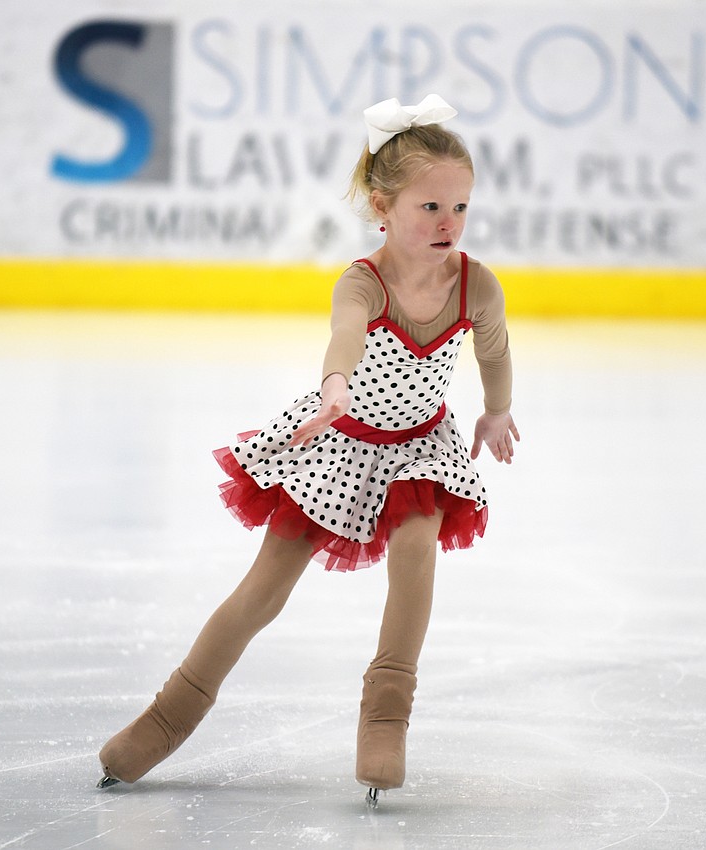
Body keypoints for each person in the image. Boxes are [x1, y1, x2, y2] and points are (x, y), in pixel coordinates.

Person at [96, 94, 519, 806]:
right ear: (382, 207)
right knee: (265, 588)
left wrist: (497, 411)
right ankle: (170, 714)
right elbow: (345, 333)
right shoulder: (362, 280)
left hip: (419, 450)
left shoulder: (475, 283)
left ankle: (385, 718)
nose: (450, 224)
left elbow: (496, 348)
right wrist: (335, 387)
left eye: (461, 208)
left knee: (416, 554)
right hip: (338, 443)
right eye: (431, 209)